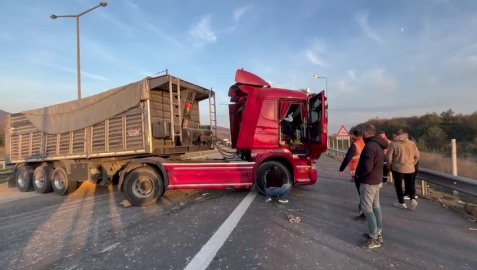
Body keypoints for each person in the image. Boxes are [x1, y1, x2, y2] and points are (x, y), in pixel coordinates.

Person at [356, 125, 389, 248]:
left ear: (365, 132)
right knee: (376, 207)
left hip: (369, 182)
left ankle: (373, 238)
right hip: (377, 180)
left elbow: (367, 167)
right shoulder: (379, 145)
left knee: (367, 209)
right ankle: (377, 232)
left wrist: (359, 175)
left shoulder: (369, 146)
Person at [386, 129, 420, 211]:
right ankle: (412, 199)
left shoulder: (393, 144)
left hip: (397, 168)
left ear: (396, 135)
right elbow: (417, 156)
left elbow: (388, 157)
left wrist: (389, 166)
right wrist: (412, 163)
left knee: (398, 186)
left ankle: (401, 203)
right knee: (410, 183)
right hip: (410, 168)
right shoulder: (411, 143)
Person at [339, 129, 366, 220]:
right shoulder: (366, 143)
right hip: (367, 171)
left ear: (354, 136)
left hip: (357, 171)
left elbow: (347, 158)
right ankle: (364, 207)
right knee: (365, 191)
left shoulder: (355, 145)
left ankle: (364, 211)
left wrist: (341, 169)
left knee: (361, 191)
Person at [403, 134, 419, 200]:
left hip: (410, 166)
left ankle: (411, 195)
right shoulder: (414, 146)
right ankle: (408, 193)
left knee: (410, 181)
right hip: (413, 166)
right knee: (410, 181)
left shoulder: (410, 146)